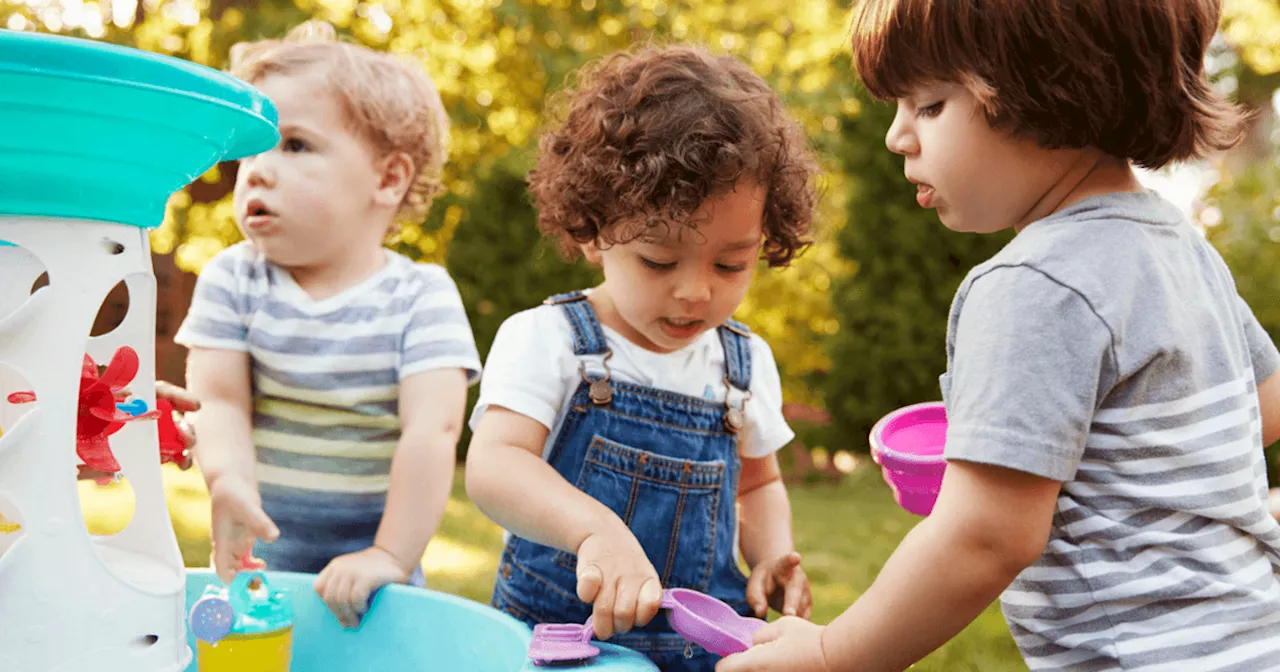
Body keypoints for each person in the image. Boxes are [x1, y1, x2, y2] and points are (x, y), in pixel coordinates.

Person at [717, 1, 1280, 671]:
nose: (898, 135)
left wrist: (833, 654)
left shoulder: (1031, 282)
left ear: (1049, 88)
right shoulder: (1180, 247)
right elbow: (1259, 408)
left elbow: (983, 539)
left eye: (929, 105)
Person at [464, 44, 819, 671]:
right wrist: (593, 530)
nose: (695, 290)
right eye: (659, 260)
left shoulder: (744, 363)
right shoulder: (547, 338)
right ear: (595, 231)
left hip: (701, 648)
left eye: (731, 263)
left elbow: (759, 483)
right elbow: (495, 466)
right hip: (565, 644)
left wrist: (772, 554)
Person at [174, 21, 481, 629]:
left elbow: (433, 429)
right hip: (261, 566)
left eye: (294, 146)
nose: (256, 171)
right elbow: (221, 402)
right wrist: (228, 479)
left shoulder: (420, 295)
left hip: (374, 583)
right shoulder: (233, 279)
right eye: (251, 150)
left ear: (388, 179)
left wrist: (389, 554)